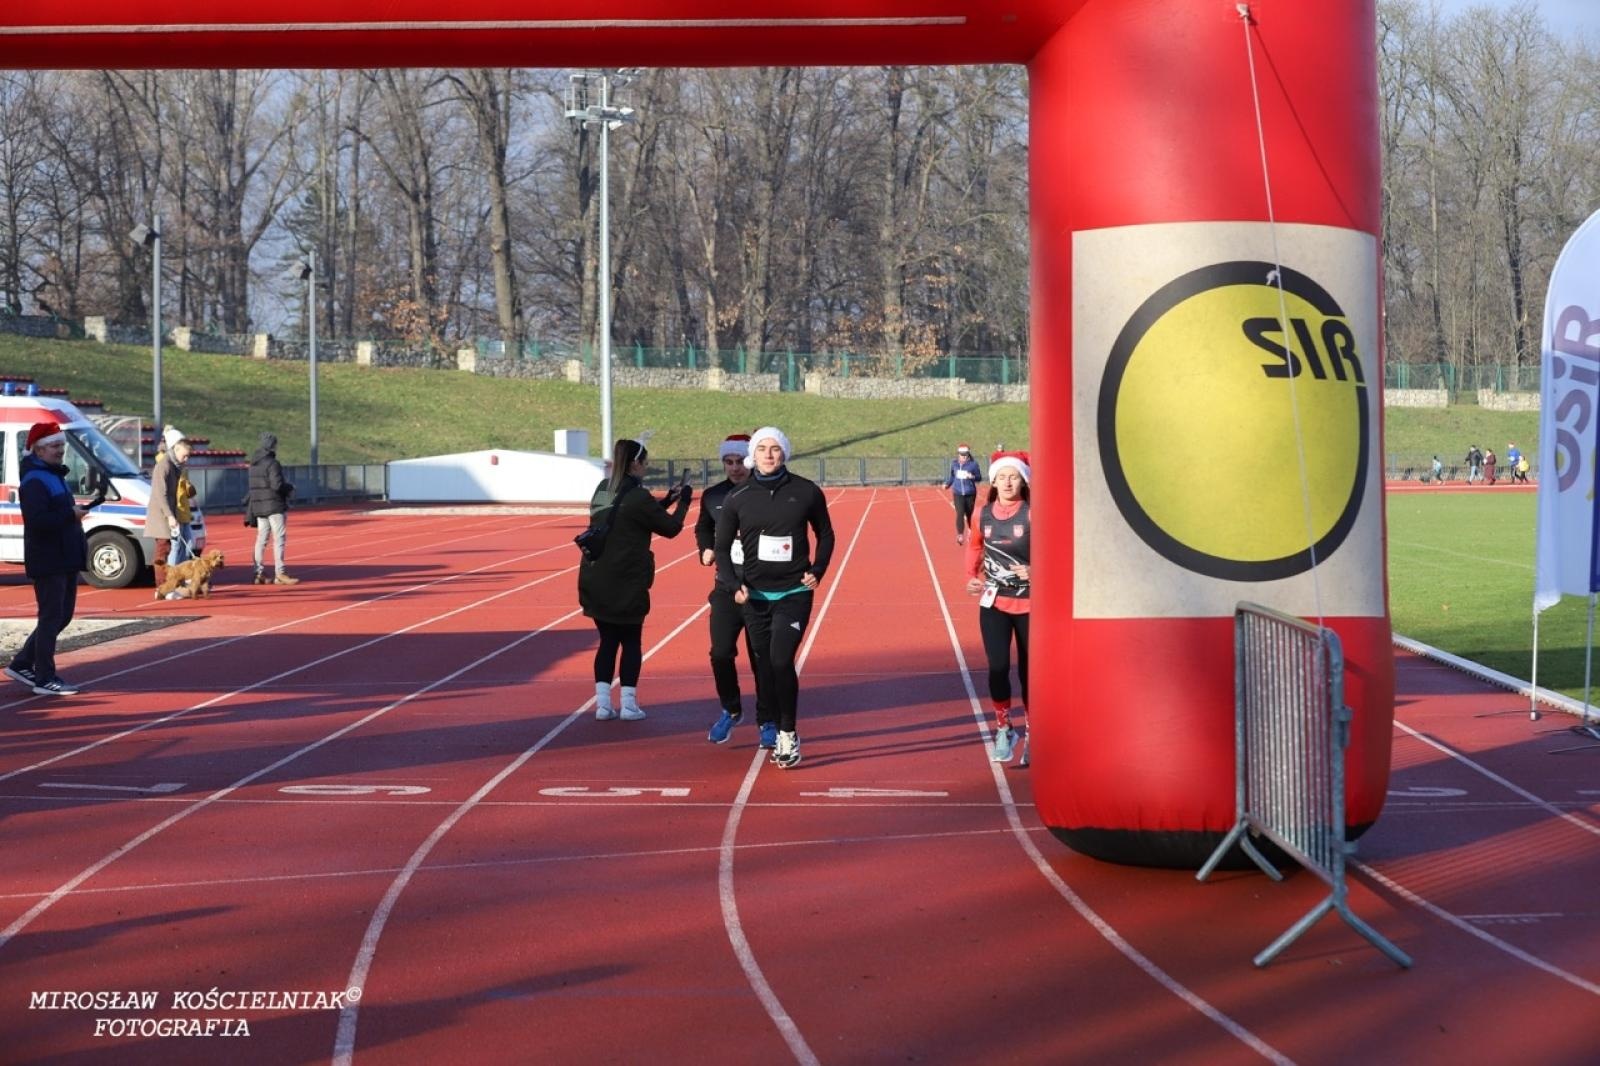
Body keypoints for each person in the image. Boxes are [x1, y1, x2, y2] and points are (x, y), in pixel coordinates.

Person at [713, 426, 834, 768]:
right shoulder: (738, 498)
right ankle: (770, 720)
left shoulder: (805, 491)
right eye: (762, 448)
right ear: (754, 454)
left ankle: (787, 732)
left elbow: (825, 534)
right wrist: (734, 583)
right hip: (754, 596)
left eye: (775, 449)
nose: (768, 454)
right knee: (765, 665)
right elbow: (722, 548)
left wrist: (819, 569)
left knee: (781, 660)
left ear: (784, 453)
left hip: (794, 592)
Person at [578, 437, 692, 721]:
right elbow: (670, 528)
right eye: (645, 461)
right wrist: (684, 502)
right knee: (630, 640)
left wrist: (665, 500)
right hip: (627, 580)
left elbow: (628, 514)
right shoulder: (639, 497)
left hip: (595, 576)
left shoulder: (602, 489)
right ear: (634, 464)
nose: (647, 466)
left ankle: (603, 704)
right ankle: (629, 704)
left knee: (607, 641)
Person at [3, 423, 89, 696]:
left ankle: (22, 663)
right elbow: (37, 521)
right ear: (38, 449)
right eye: (54, 446)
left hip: (63, 557)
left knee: (61, 615)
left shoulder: (52, 475)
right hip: (49, 558)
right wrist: (70, 515)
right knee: (52, 616)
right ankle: (44, 677)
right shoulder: (35, 480)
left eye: (61, 446)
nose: (60, 451)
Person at [698, 433, 769, 744]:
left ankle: (767, 719)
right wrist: (705, 548)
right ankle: (731, 709)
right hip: (726, 588)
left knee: (761, 658)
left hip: (761, 591)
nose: (735, 468)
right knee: (720, 653)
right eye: (729, 462)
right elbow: (703, 525)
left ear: (750, 461)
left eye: (740, 461)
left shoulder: (767, 493)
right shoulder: (713, 496)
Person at [965, 450, 1032, 764]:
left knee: (1030, 673)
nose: (1007, 482)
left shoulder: (1034, 513)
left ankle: (1035, 732)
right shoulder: (983, 514)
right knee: (997, 668)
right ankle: (1004, 728)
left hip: (1031, 604)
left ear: (1023, 481)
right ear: (993, 480)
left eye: (1014, 476)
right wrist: (970, 577)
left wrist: (1036, 569)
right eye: (1002, 476)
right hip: (994, 603)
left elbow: (1058, 549)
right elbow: (975, 545)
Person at [246, 432, 299, 585]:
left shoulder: (253, 464)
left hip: (259, 506)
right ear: (272, 446)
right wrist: (289, 487)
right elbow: (277, 485)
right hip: (274, 506)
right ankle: (280, 572)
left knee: (261, 539)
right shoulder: (272, 463)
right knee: (279, 538)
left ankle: (258, 572)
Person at [145, 428, 192, 591]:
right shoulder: (164, 466)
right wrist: (170, 516)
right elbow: (160, 494)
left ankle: (170, 585)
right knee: (162, 551)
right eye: (184, 455)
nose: (185, 459)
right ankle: (162, 587)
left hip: (168, 514)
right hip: (161, 515)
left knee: (168, 549)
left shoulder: (174, 466)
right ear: (176, 448)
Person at [943, 444, 983, 545]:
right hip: (958, 492)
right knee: (960, 513)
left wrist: (971, 476)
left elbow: (979, 477)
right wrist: (947, 484)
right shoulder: (954, 464)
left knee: (969, 514)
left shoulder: (973, 464)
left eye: (966, 455)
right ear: (958, 454)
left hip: (970, 493)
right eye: (962, 455)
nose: (964, 457)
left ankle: (970, 530)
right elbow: (952, 476)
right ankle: (960, 535)